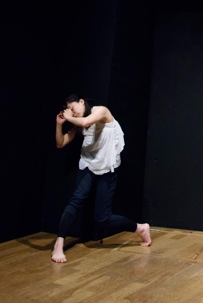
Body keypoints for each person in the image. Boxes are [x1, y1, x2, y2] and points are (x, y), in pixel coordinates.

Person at [51, 94, 151, 263]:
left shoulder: (101, 111)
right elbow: (60, 143)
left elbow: (86, 122)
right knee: (76, 200)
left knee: (103, 218)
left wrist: (69, 117)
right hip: (89, 163)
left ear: (81, 102)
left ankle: (140, 228)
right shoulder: (77, 122)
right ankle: (58, 244)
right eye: (69, 111)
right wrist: (59, 124)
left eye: (72, 108)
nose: (72, 113)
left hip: (108, 166)